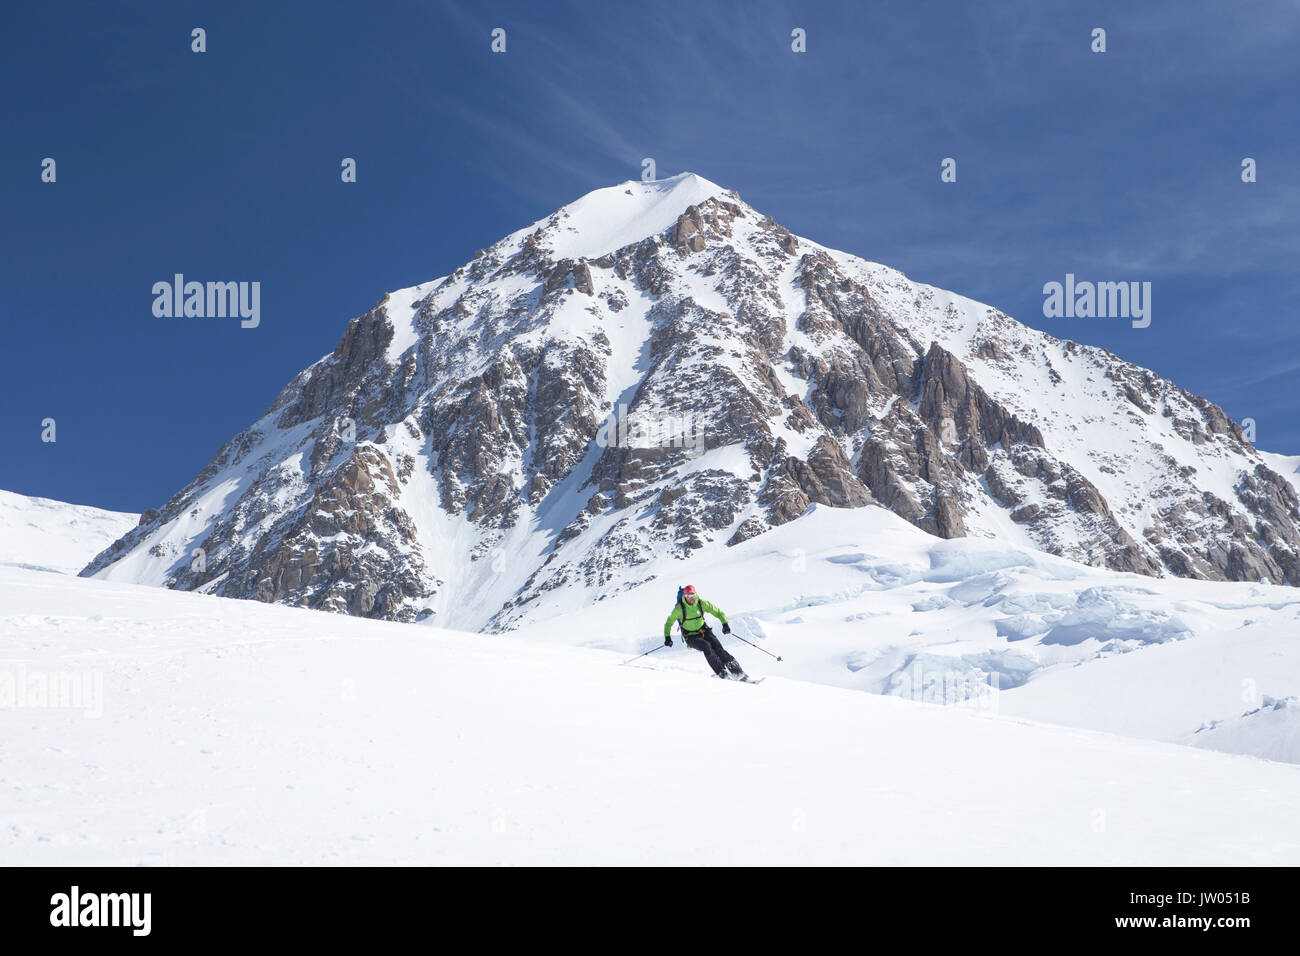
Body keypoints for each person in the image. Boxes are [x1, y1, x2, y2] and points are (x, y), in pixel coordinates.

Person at [663, 585, 747, 679]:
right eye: (688, 596)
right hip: (690, 636)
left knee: (719, 649)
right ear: (684, 596)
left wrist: (725, 624)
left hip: (704, 630)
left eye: (693, 595)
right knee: (706, 647)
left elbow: (718, 612)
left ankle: (738, 672)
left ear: (696, 594)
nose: (691, 598)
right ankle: (721, 672)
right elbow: (668, 623)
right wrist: (667, 638)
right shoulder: (679, 609)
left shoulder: (702, 603)